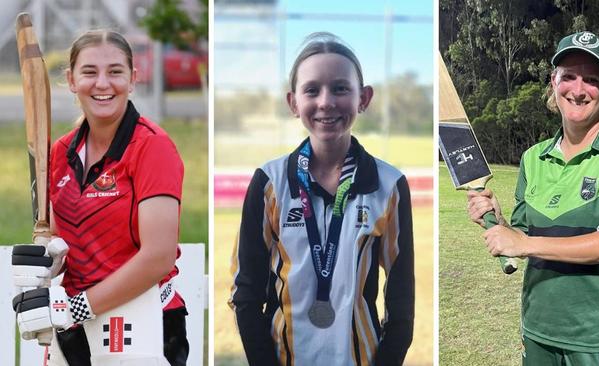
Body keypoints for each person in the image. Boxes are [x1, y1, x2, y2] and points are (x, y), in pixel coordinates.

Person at [229, 32, 414, 366]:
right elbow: (245, 293)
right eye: (312, 89)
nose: (326, 101)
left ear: (364, 98)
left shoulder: (389, 185)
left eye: (341, 88)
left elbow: (402, 301)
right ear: (293, 103)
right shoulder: (269, 183)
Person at [467, 31, 599, 365]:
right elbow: (521, 238)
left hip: (598, 339)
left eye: (591, 80)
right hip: (537, 330)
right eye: (568, 77)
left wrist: (523, 244)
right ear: (553, 82)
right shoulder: (533, 158)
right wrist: (497, 219)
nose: (578, 90)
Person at [11, 30, 188, 366]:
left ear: (133, 79)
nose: (103, 84)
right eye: (90, 72)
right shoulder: (60, 153)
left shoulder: (152, 147)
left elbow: (159, 256)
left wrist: (78, 307)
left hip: (142, 319)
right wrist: (46, 262)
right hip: (73, 328)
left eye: (115, 72)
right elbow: (58, 237)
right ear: (72, 80)